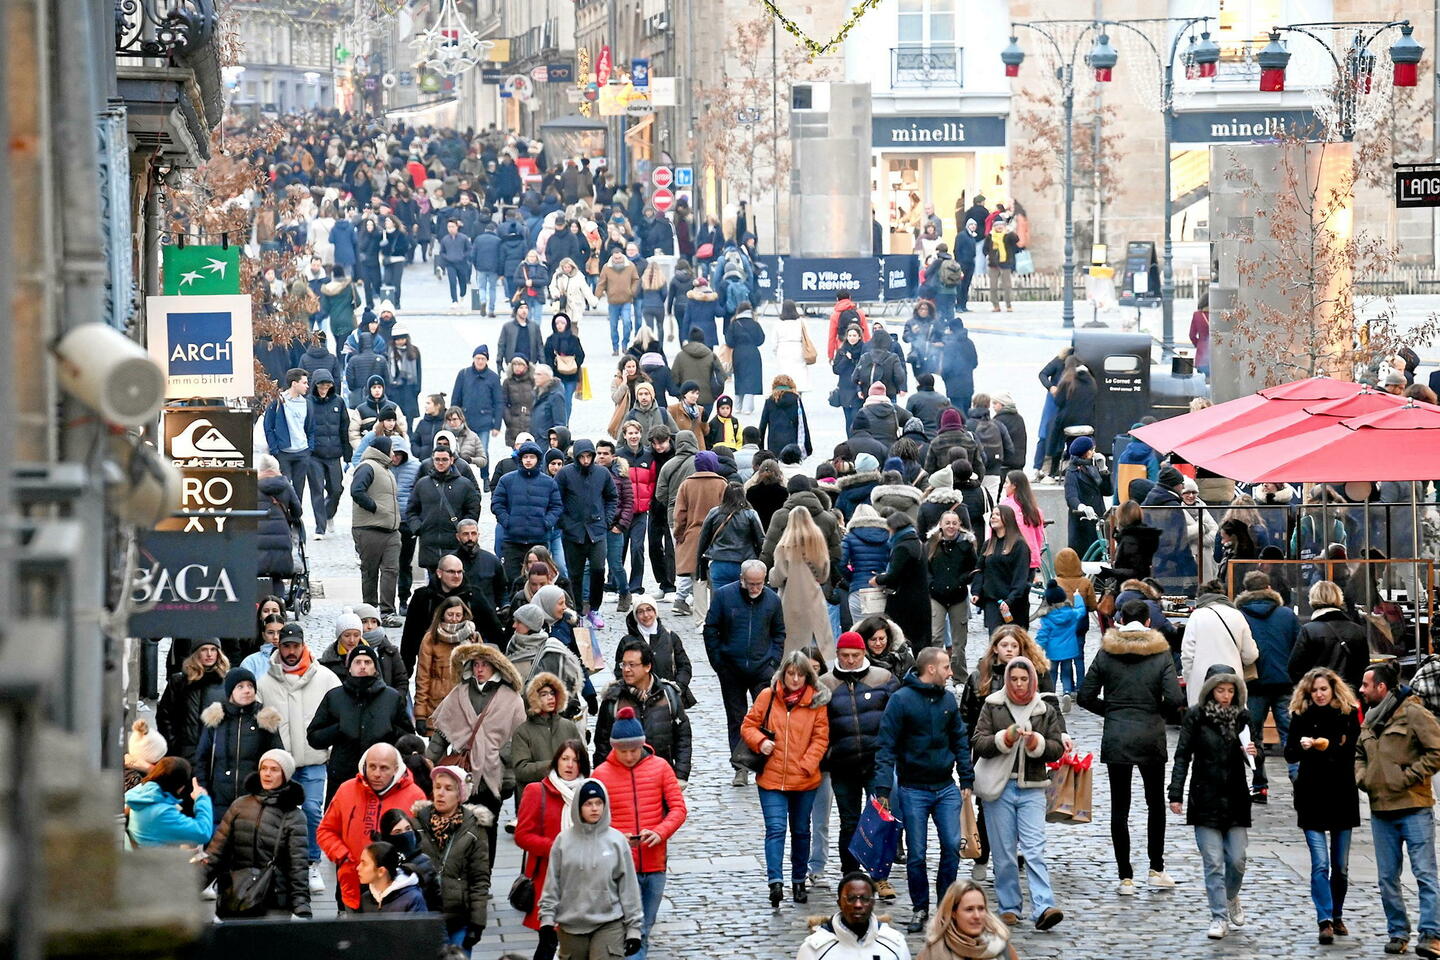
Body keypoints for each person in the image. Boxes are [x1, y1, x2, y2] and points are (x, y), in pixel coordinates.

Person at [1078, 598, 1185, 895]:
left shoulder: (1107, 651)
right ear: (1149, 622)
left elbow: (1085, 696)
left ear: (1121, 620)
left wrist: (1112, 711)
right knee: (1155, 804)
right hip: (1150, 733)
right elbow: (1175, 699)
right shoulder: (1160, 653)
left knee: (1119, 807)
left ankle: (1125, 875)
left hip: (1117, 735)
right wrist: (1156, 713)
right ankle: (1156, 868)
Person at [873, 646, 974, 933]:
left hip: (945, 786)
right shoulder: (901, 701)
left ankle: (946, 907)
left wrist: (966, 778)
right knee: (916, 853)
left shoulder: (948, 700)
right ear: (931, 669)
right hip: (912, 788)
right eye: (946, 668)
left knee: (952, 846)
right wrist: (883, 787)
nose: (951, 673)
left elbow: (959, 740)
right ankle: (920, 907)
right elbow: (886, 745)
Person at [970, 655, 1066, 931]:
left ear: (1032, 680)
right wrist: (1004, 738)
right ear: (1007, 679)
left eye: (1024, 679)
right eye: (1014, 679)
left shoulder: (1044, 710)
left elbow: (1056, 747)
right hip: (999, 788)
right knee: (1004, 852)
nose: (1019, 684)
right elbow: (979, 742)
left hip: (1033, 787)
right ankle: (1009, 906)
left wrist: (1038, 743)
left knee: (1034, 849)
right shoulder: (993, 705)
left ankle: (1044, 905)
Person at [1168, 664, 1258, 940]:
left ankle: (1231, 896)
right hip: (1204, 795)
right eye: (1221, 690)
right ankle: (1218, 916)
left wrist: (1256, 753)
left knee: (1238, 860)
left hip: (1235, 796)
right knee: (1214, 862)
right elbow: (1183, 755)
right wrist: (1176, 792)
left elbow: (1256, 755)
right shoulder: (1196, 716)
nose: (1226, 695)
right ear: (1210, 691)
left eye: (1231, 690)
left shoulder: (1243, 717)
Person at [1357, 661, 1440, 957]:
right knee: (1387, 877)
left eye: (1366, 685)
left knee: (1425, 873)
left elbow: (1437, 750)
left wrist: (1410, 776)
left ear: (1381, 687)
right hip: (1381, 808)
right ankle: (1398, 931)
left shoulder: (1414, 712)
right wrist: (1363, 777)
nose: (1361, 690)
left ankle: (1431, 934)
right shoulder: (1369, 718)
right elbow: (1359, 753)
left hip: (1414, 806)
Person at [592, 707, 688, 960]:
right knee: (628, 928)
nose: (629, 756)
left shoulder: (661, 768)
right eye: (623, 751)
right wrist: (614, 836)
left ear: (642, 745)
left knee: (644, 926)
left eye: (633, 750)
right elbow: (591, 820)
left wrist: (660, 832)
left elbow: (678, 809)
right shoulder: (601, 775)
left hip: (655, 862)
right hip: (620, 866)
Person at [254, 621, 340, 890]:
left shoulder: (325, 678)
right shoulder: (264, 682)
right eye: (286, 646)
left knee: (313, 810)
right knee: (277, 814)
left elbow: (339, 714)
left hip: (313, 759)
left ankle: (312, 863)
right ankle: (279, 865)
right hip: (280, 763)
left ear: (303, 646)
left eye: (295, 645)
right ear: (278, 646)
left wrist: (331, 748)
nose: (291, 651)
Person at [741, 650, 830, 906]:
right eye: (790, 673)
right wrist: (761, 742)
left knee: (801, 831)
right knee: (776, 829)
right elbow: (748, 725)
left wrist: (808, 763)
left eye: (800, 674)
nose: (794, 679)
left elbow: (820, 738)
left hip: (804, 779)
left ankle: (799, 880)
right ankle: (775, 881)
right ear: (783, 673)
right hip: (772, 777)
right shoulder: (768, 696)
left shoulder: (816, 702)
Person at [425, 642, 527, 858]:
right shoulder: (459, 693)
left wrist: (505, 770)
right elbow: (442, 734)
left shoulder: (511, 699)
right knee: (458, 827)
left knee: (488, 829)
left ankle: (484, 879)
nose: (479, 669)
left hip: (492, 775)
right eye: (476, 664)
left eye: (485, 664)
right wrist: (427, 762)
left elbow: (516, 739)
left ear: (496, 667)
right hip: (460, 773)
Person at [1285, 667, 1362, 944]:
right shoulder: (1301, 716)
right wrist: (1302, 747)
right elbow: (1289, 752)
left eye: (1323, 689)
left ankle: (1337, 913)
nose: (1318, 694)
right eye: (1314, 690)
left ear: (1333, 690)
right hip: (1312, 795)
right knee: (1320, 864)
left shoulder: (1348, 714)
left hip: (1341, 794)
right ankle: (1324, 919)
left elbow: (1350, 750)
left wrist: (1324, 746)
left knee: (1340, 866)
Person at [819, 633, 898, 883]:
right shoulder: (825, 684)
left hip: (877, 762)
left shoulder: (883, 679)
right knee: (849, 821)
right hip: (842, 764)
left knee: (881, 819)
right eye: (845, 656)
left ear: (863, 654)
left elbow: (898, 717)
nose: (850, 661)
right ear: (838, 655)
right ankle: (850, 873)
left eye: (855, 655)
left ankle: (880, 875)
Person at [537, 779, 645, 960]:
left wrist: (634, 929)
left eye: (598, 803)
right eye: (588, 804)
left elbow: (629, 887)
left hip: (609, 922)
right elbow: (553, 882)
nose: (594, 809)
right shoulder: (563, 841)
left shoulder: (617, 841)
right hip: (570, 923)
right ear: (578, 807)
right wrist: (547, 920)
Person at [317, 742, 427, 911]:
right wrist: (343, 857)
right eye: (372, 767)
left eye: (384, 768)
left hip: (397, 891)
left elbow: (423, 844)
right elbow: (326, 831)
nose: (377, 774)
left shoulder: (415, 795)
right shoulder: (346, 790)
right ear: (364, 765)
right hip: (353, 884)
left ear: (396, 768)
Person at [202, 749, 311, 919]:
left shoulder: (294, 816)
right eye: (264, 768)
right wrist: (190, 888)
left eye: (274, 769)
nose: (267, 774)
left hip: (274, 900)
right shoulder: (240, 805)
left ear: (285, 775)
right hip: (236, 896)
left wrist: (302, 908)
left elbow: (298, 868)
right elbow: (216, 853)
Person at [705, 560, 786, 786]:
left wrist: (773, 663)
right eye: (751, 583)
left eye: (759, 584)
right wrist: (719, 662)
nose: (754, 588)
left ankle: (764, 763)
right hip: (731, 667)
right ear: (741, 579)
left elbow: (779, 632)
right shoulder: (724, 596)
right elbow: (711, 629)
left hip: (762, 668)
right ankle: (740, 766)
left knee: (767, 717)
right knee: (736, 717)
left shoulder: (772, 600)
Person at [306, 645, 414, 804]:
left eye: (368, 662)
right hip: (343, 776)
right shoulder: (335, 697)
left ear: (375, 668)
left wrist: (389, 732)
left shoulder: (391, 698)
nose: (363, 666)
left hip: (382, 777)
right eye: (357, 662)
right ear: (349, 668)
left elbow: (409, 738)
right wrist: (338, 729)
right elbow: (314, 737)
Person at [515, 741, 591, 960]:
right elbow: (522, 835)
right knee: (549, 942)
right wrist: (557, 848)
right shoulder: (536, 791)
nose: (569, 765)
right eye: (565, 759)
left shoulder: (589, 793)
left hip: (583, 880)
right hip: (548, 881)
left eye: (575, 760)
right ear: (556, 761)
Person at [405, 765, 491, 948]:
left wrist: (478, 922)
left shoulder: (475, 828)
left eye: (448, 788)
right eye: (437, 787)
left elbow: (480, 879)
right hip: (424, 916)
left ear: (460, 795)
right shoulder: (416, 823)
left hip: (459, 918)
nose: (440, 793)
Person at [1234, 570, 1299, 803]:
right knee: (1290, 735)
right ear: (1269, 588)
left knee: (1253, 736)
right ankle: (1298, 780)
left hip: (1255, 684)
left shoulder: (1239, 616)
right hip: (1285, 682)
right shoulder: (1287, 615)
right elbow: (1297, 648)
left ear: (1246, 590)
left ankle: (1259, 785)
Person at [193, 667, 283, 824]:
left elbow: (278, 758)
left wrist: (268, 794)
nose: (247, 691)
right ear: (230, 692)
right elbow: (202, 758)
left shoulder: (265, 719)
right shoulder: (216, 719)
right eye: (240, 687)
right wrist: (203, 790)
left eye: (250, 686)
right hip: (218, 800)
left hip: (255, 801)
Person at [594, 641, 693, 782]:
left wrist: (680, 776)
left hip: (662, 779)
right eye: (624, 664)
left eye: (632, 665)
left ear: (647, 666)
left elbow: (683, 737)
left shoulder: (669, 695)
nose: (626, 669)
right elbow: (602, 745)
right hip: (624, 782)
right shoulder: (613, 699)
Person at [555, 438, 619, 625]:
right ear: (575, 457)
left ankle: (595, 608)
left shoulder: (602, 473)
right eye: (581, 456)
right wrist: (564, 523)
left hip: (597, 531)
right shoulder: (565, 474)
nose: (585, 460)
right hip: (573, 533)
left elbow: (612, 497)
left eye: (588, 456)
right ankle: (577, 611)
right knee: (574, 574)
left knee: (598, 570)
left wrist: (606, 520)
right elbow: (556, 501)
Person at [769, 504, 835, 659]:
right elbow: (824, 576)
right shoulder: (818, 545)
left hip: (792, 600)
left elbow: (777, 578)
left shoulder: (784, 546)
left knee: (793, 649)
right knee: (819, 644)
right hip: (815, 599)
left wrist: (771, 574)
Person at [797, 872, 912, 960]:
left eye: (865, 899)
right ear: (839, 903)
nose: (858, 905)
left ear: (873, 902)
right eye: (851, 899)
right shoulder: (814, 950)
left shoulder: (895, 944)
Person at [350, 434, 402, 620]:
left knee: (391, 570)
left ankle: (387, 611)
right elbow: (356, 491)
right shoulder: (367, 466)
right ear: (383, 450)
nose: (393, 453)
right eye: (391, 449)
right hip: (369, 528)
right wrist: (375, 508)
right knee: (370, 572)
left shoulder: (385, 469)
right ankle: (370, 612)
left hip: (391, 530)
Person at [1182, 581, 1259, 706]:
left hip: (1201, 681)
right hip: (1232, 679)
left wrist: (1189, 678)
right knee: (1232, 717)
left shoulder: (1196, 616)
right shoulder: (1237, 615)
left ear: (1200, 598)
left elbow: (1187, 655)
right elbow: (1251, 654)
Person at [512, 672, 584, 802]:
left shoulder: (568, 727)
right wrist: (553, 766)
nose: (550, 698)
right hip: (536, 801)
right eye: (544, 694)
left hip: (566, 798)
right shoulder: (522, 732)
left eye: (552, 693)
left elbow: (582, 761)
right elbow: (521, 770)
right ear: (534, 698)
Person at [1289, 579, 1369, 693]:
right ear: (1338, 598)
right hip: (1349, 697)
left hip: (1317, 698)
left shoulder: (1309, 630)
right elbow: (1363, 668)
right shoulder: (1357, 630)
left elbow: (1295, 669)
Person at [156, 639, 229, 762]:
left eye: (213, 650)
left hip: (215, 755)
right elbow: (164, 716)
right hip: (183, 753)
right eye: (204, 650)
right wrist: (174, 745)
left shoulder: (227, 683)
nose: (209, 654)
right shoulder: (179, 682)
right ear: (196, 653)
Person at [123, 757, 214, 848]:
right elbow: (203, 833)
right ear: (181, 786)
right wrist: (202, 799)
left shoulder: (140, 793)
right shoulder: (161, 812)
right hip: (157, 859)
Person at [874, 511, 929, 658]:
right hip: (921, 600)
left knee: (902, 639)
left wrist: (877, 580)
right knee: (920, 641)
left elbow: (893, 575)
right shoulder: (918, 543)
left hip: (904, 601)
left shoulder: (902, 547)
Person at [927, 510, 978, 672]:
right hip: (936, 595)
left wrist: (962, 581)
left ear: (959, 525)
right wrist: (931, 584)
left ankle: (959, 676)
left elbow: (973, 569)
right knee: (935, 637)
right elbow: (924, 568)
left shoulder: (966, 544)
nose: (951, 526)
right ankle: (934, 672)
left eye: (954, 523)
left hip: (958, 595)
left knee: (958, 642)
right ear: (940, 524)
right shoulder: (931, 543)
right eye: (947, 523)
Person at [696, 480, 766, 593]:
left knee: (720, 600)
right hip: (744, 563)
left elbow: (703, 540)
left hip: (719, 562)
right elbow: (760, 540)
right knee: (743, 600)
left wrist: (700, 568)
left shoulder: (714, 513)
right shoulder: (750, 514)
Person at [973, 506, 1032, 632]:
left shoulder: (1019, 545)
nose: (993, 517)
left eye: (997, 514)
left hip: (1014, 603)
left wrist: (1010, 599)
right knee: (995, 641)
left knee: (1014, 643)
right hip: (992, 601)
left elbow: (1021, 576)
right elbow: (979, 569)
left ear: (1008, 519)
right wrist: (976, 591)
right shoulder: (988, 544)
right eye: (992, 514)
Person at [1031, 582, 1086, 701]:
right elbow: (1081, 610)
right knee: (1066, 672)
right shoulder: (1071, 613)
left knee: (1052, 673)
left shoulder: (1047, 617)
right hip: (1069, 650)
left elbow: (1043, 635)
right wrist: (1077, 597)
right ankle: (1067, 692)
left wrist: (1037, 647)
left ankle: (1052, 693)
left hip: (1053, 651)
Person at [1063, 437, 1110, 557]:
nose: (1094, 452)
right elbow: (1071, 497)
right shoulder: (1072, 472)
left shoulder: (1094, 467)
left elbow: (1107, 491)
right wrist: (1082, 507)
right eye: (1092, 450)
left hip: (1098, 518)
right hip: (1082, 524)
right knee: (1084, 557)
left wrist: (1104, 471)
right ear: (1085, 453)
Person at [356, 841, 428, 913]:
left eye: (364, 864)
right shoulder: (365, 899)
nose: (358, 868)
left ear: (381, 871)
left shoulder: (412, 899)